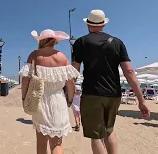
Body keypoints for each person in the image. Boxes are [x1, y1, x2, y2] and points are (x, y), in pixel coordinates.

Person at [72, 10, 150, 154]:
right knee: (109, 131)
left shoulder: (80, 42)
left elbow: (74, 72)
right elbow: (129, 72)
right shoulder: (117, 42)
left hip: (92, 93)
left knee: (96, 136)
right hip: (114, 94)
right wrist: (141, 99)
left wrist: (69, 94)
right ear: (103, 24)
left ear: (88, 25)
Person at [19, 29, 79, 154]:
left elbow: (25, 79)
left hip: (40, 100)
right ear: (55, 41)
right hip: (58, 100)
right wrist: (70, 99)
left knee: (41, 143)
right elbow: (71, 82)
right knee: (56, 144)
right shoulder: (62, 57)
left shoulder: (34, 55)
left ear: (41, 40)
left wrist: (24, 98)